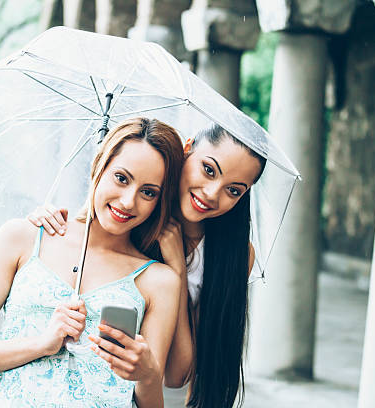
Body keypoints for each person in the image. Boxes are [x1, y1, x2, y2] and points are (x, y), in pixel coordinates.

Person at [0, 117, 185, 408]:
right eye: (121, 178)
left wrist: (148, 374)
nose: (129, 201)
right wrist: (42, 343)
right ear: (99, 167)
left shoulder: (159, 281)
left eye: (148, 192)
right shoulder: (23, 238)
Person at [29, 123, 266, 407]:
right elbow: (94, 219)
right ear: (187, 148)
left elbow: (178, 374)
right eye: (209, 170)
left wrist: (177, 269)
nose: (213, 193)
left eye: (234, 190)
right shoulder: (134, 212)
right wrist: (50, 217)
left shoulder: (232, 255)